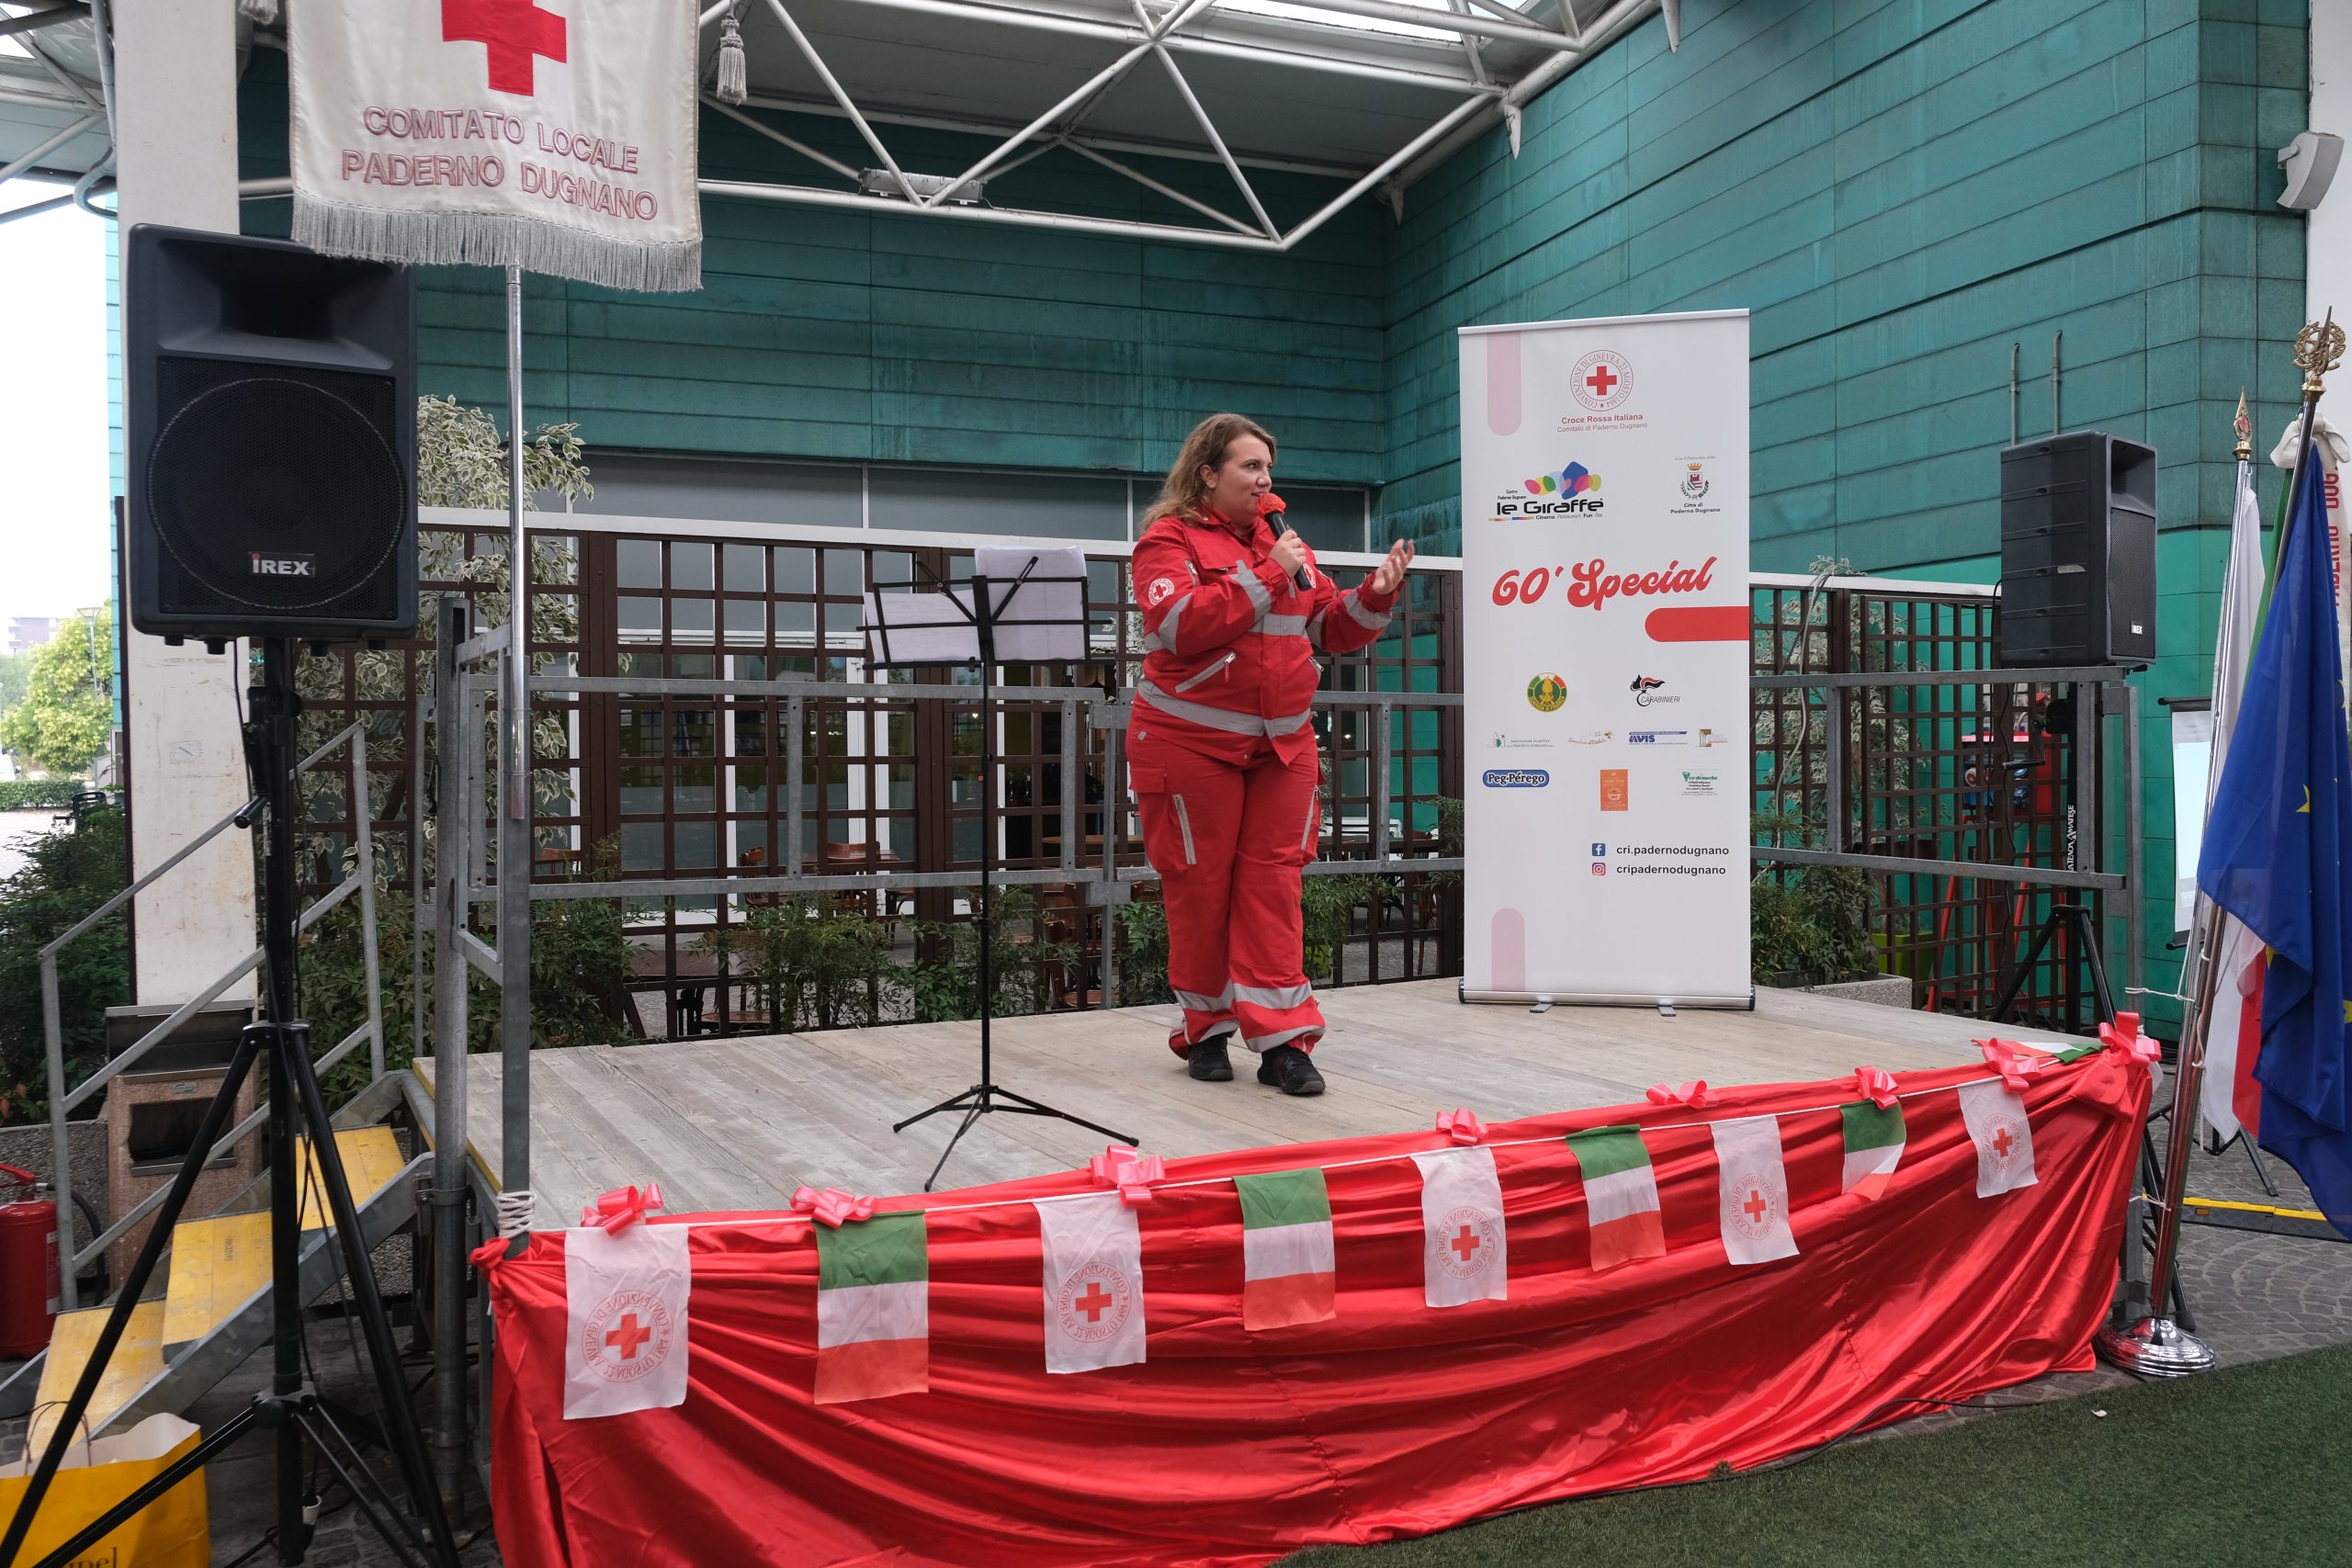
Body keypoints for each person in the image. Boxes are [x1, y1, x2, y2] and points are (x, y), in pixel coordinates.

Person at [1127, 413, 1415, 1096]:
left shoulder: (1287, 545)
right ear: (1208, 473)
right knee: (1200, 889)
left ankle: (1285, 1042)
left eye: (1268, 469)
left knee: (1273, 887)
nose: (1266, 481)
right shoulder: (1166, 539)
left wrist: (1375, 594)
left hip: (1281, 747)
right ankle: (1206, 1029)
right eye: (1251, 467)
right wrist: (1265, 571)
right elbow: (1181, 625)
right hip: (1189, 742)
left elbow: (1331, 627)